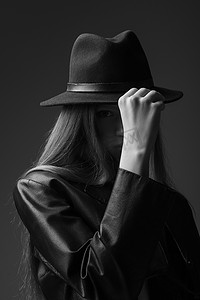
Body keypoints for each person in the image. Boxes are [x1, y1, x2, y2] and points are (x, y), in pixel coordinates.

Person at [13, 30, 200, 300]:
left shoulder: (172, 207)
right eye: (105, 113)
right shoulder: (41, 189)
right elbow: (106, 289)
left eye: (132, 115)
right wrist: (136, 147)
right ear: (80, 121)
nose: (125, 128)